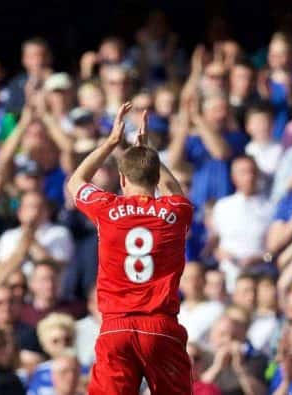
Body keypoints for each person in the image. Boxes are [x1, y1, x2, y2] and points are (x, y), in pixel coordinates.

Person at [66, 103, 193, 394]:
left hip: (116, 327)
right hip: (160, 327)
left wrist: (110, 143)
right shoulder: (175, 212)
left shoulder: (106, 209)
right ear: (154, 178)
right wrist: (149, 155)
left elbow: (76, 182)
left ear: (122, 180)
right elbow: (175, 192)